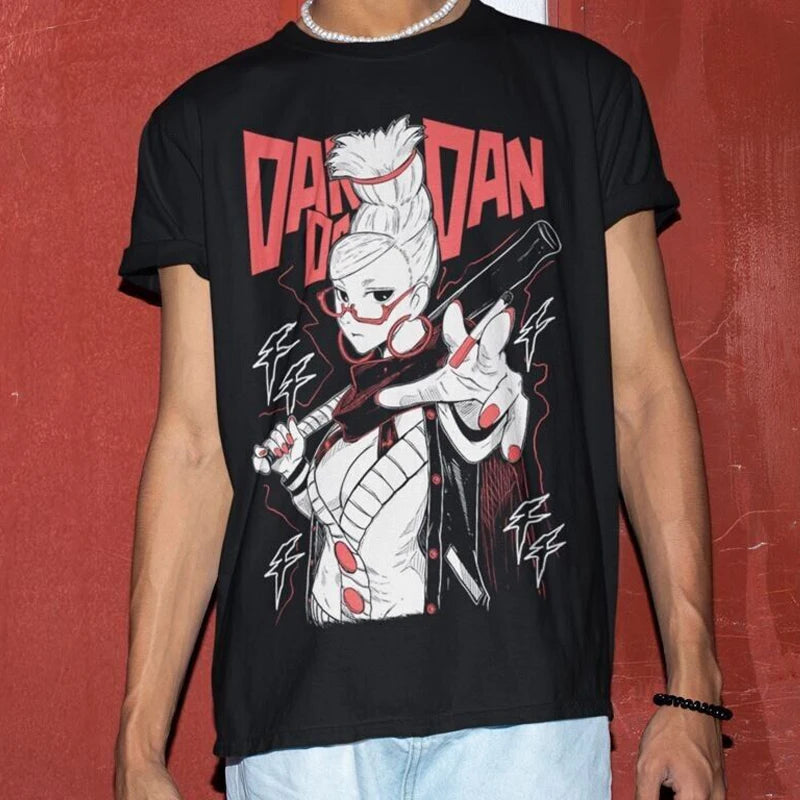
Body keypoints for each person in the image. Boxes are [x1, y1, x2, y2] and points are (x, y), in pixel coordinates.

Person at [113, 1, 727, 798]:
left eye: (378, 296)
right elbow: (196, 446)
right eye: (342, 299)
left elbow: (642, 396)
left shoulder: (579, 91)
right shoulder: (204, 124)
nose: (356, 316)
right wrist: (139, 746)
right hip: (300, 723)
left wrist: (694, 688)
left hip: (527, 717)